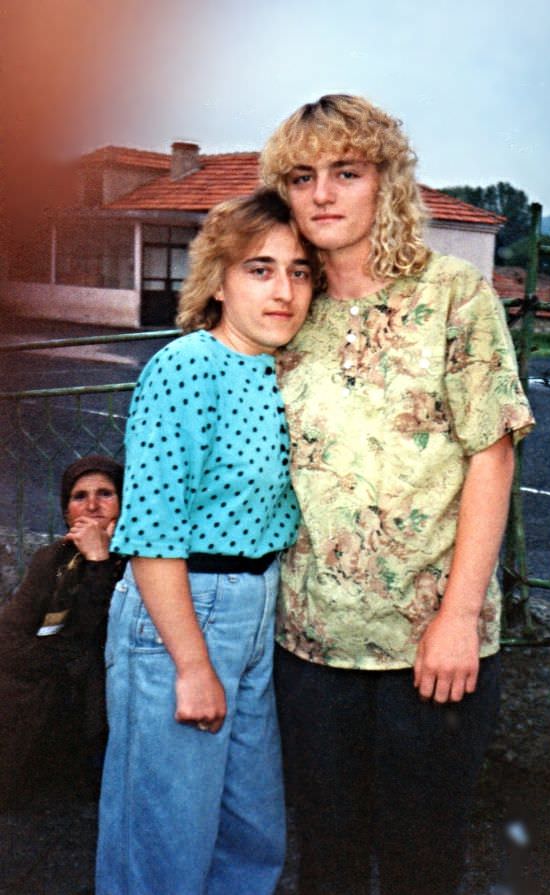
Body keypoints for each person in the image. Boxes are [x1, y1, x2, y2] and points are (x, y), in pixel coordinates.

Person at [260, 94, 536, 895]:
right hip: (309, 643)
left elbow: (492, 455)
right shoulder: (285, 306)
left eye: (346, 172)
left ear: (386, 181)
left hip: (433, 647)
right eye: (304, 176)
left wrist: (456, 615)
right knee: (329, 859)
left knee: (421, 858)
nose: (323, 194)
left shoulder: (453, 295)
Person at [95, 189, 315, 895]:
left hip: (258, 607)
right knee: (165, 840)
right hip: (183, 611)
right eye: (260, 268)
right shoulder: (187, 366)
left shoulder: (286, 366)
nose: (284, 290)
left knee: (251, 835)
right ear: (218, 279)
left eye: (301, 270)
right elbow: (152, 532)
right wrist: (192, 664)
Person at [0, 454, 125, 809]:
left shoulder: (133, 563)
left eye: (106, 493)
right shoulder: (53, 558)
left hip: (97, 683)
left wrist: (99, 562)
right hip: (52, 670)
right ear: (67, 511)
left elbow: (91, 636)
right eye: (79, 496)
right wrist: (53, 656)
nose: (92, 505)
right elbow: (10, 634)